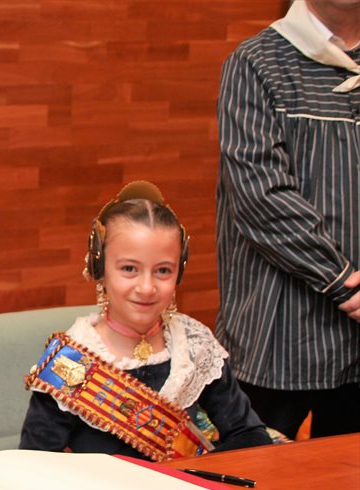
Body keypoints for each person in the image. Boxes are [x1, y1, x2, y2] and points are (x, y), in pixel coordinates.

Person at [20, 181, 273, 461]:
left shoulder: (193, 345)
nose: (147, 287)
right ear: (99, 268)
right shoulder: (71, 362)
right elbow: (36, 466)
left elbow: (250, 436)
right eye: (129, 269)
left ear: (179, 273)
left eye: (163, 270)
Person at [215, 0, 360, 440]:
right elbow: (261, 194)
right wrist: (343, 283)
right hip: (277, 333)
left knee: (347, 488)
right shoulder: (256, 63)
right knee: (254, 487)